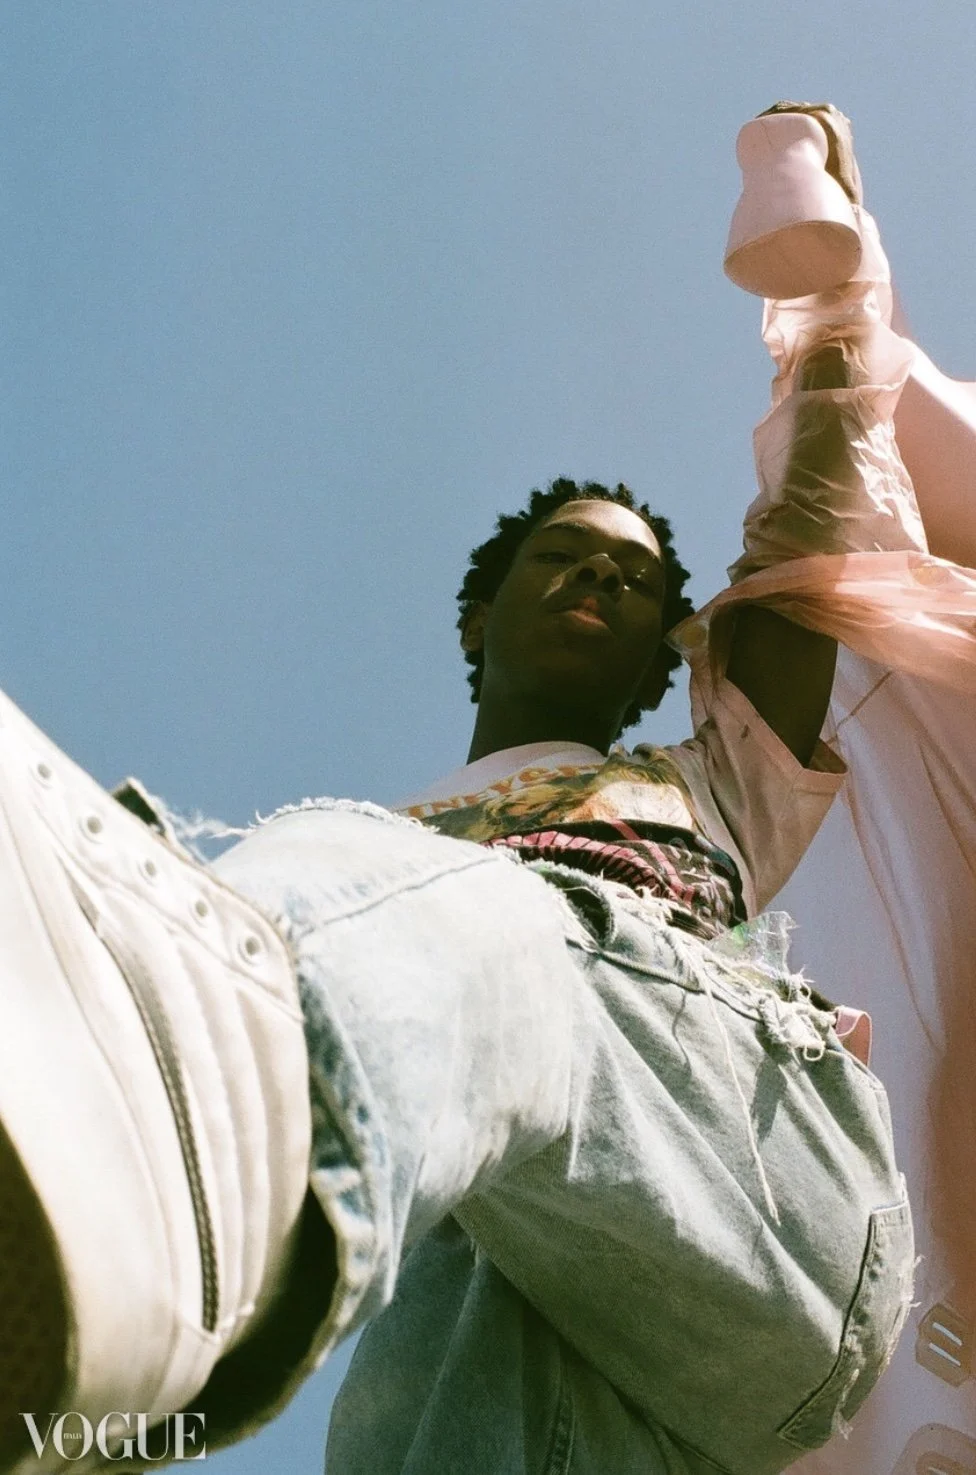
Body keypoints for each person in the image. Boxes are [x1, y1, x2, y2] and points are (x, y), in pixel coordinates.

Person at [8, 101, 976, 1475]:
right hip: (537, 1274)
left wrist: (831, 304)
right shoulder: (382, 876)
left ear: (664, 651)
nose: (601, 576)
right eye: (567, 556)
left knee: (473, 921)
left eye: (635, 578)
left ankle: (152, 1143)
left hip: (771, 1216)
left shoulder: (716, 775)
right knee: (429, 1374)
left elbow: (815, 530)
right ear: (483, 614)